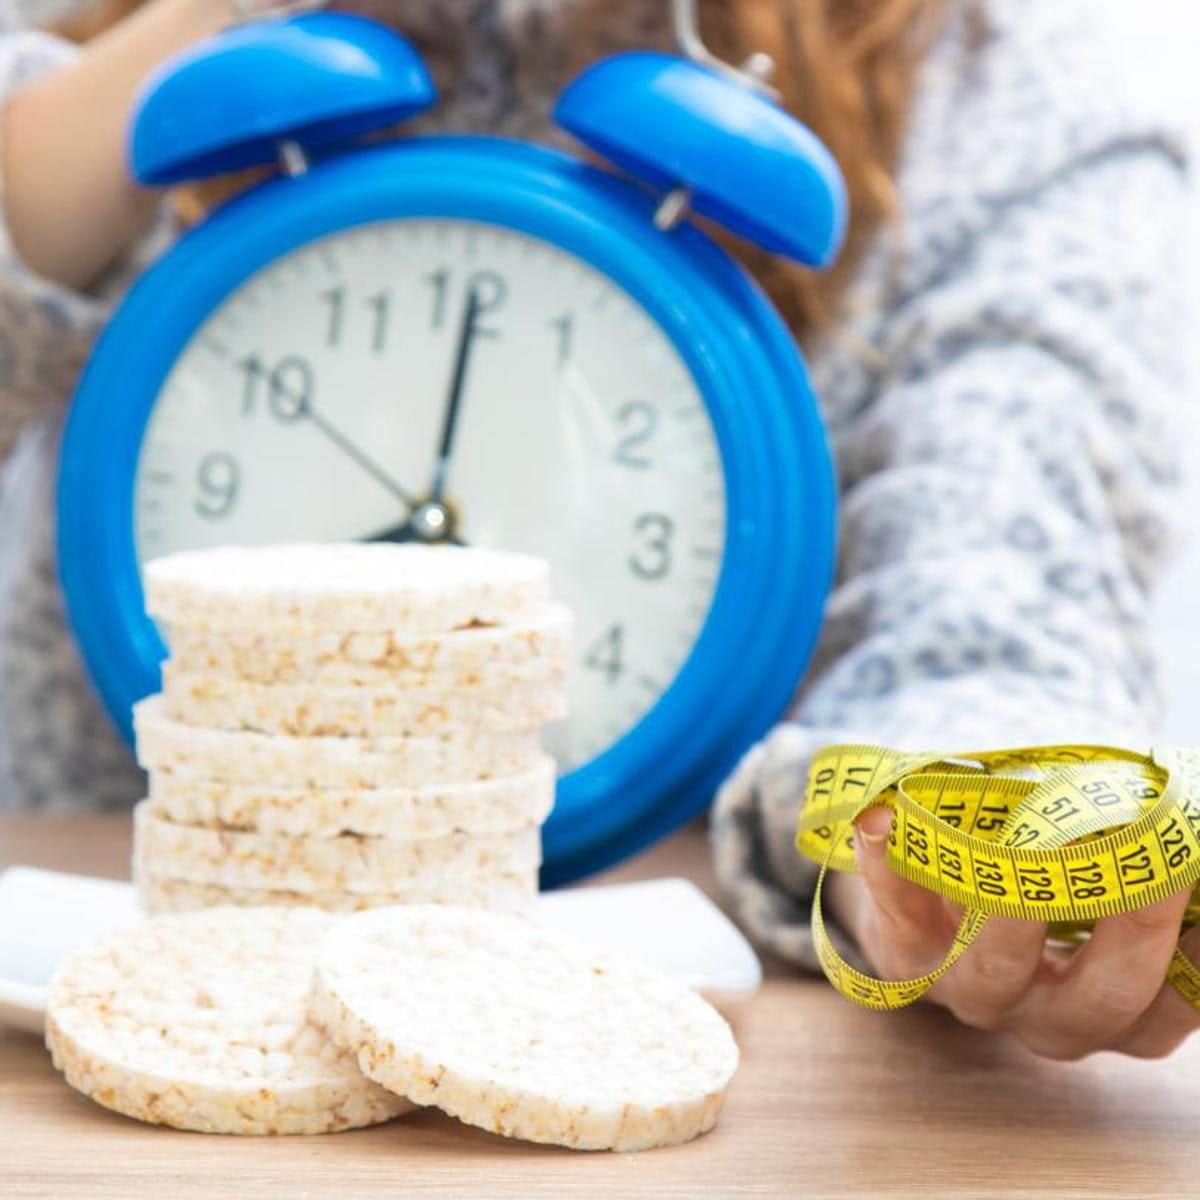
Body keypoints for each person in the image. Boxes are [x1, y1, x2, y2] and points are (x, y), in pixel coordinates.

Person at [0, 0, 1190, 1059]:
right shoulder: (114, 57)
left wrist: (966, 829)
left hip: (620, 1026)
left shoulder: (1003, 98)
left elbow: (998, 596)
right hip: (129, 1003)